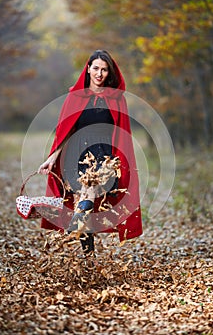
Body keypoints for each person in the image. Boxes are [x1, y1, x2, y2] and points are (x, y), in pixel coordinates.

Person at [38, 49, 142, 256]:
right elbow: (66, 131)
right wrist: (52, 158)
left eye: (104, 70)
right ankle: (88, 257)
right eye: (96, 68)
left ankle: (75, 225)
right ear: (88, 69)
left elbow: (122, 133)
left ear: (109, 73)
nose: (99, 73)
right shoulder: (75, 97)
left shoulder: (116, 99)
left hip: (105, 157)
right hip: (77, 154)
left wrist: (121, 163)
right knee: (85, 206)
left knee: (91, 191)